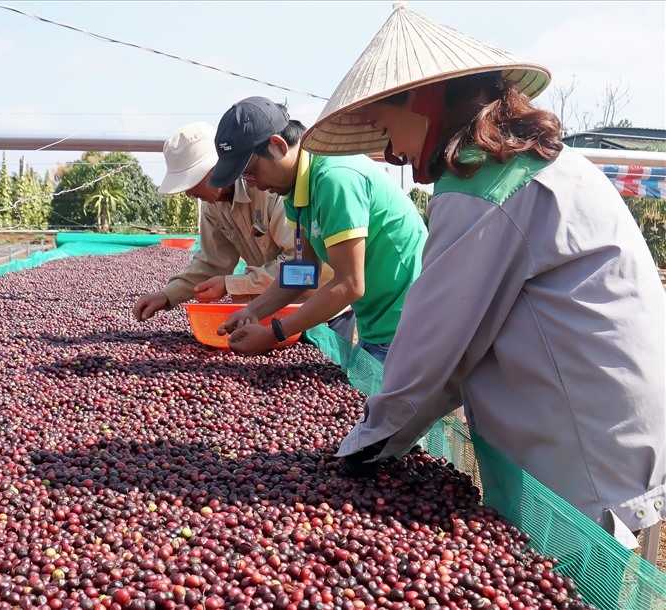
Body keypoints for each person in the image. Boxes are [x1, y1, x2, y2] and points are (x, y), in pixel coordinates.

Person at [304, 3, 665, 544]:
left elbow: (434, 345)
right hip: (616, 425)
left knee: (579, 574)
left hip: (581, 445)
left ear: (424, 101)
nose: (387, 152)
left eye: (385, 127)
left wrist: (362, 447)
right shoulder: (532, 162)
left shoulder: (485, 186)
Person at [212, 97, 427, 363]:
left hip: (409, 325)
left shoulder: (335, 177)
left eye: (251, 172)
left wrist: (274, 333)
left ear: (278, 145)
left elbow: (350, 284)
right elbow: (304, 269)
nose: (254, 185)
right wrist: (253, 310)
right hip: (377, 323)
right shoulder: (296, 192)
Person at [133, 122, 307, 322]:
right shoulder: (212, 207)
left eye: (192, 181)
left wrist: (232, 284)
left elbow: (300, 264)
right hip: (271, 309)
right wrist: (167, 295)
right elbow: (212, 262)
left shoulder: (268, 187)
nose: (190, 193)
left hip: (316, 306)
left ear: (217, 167)